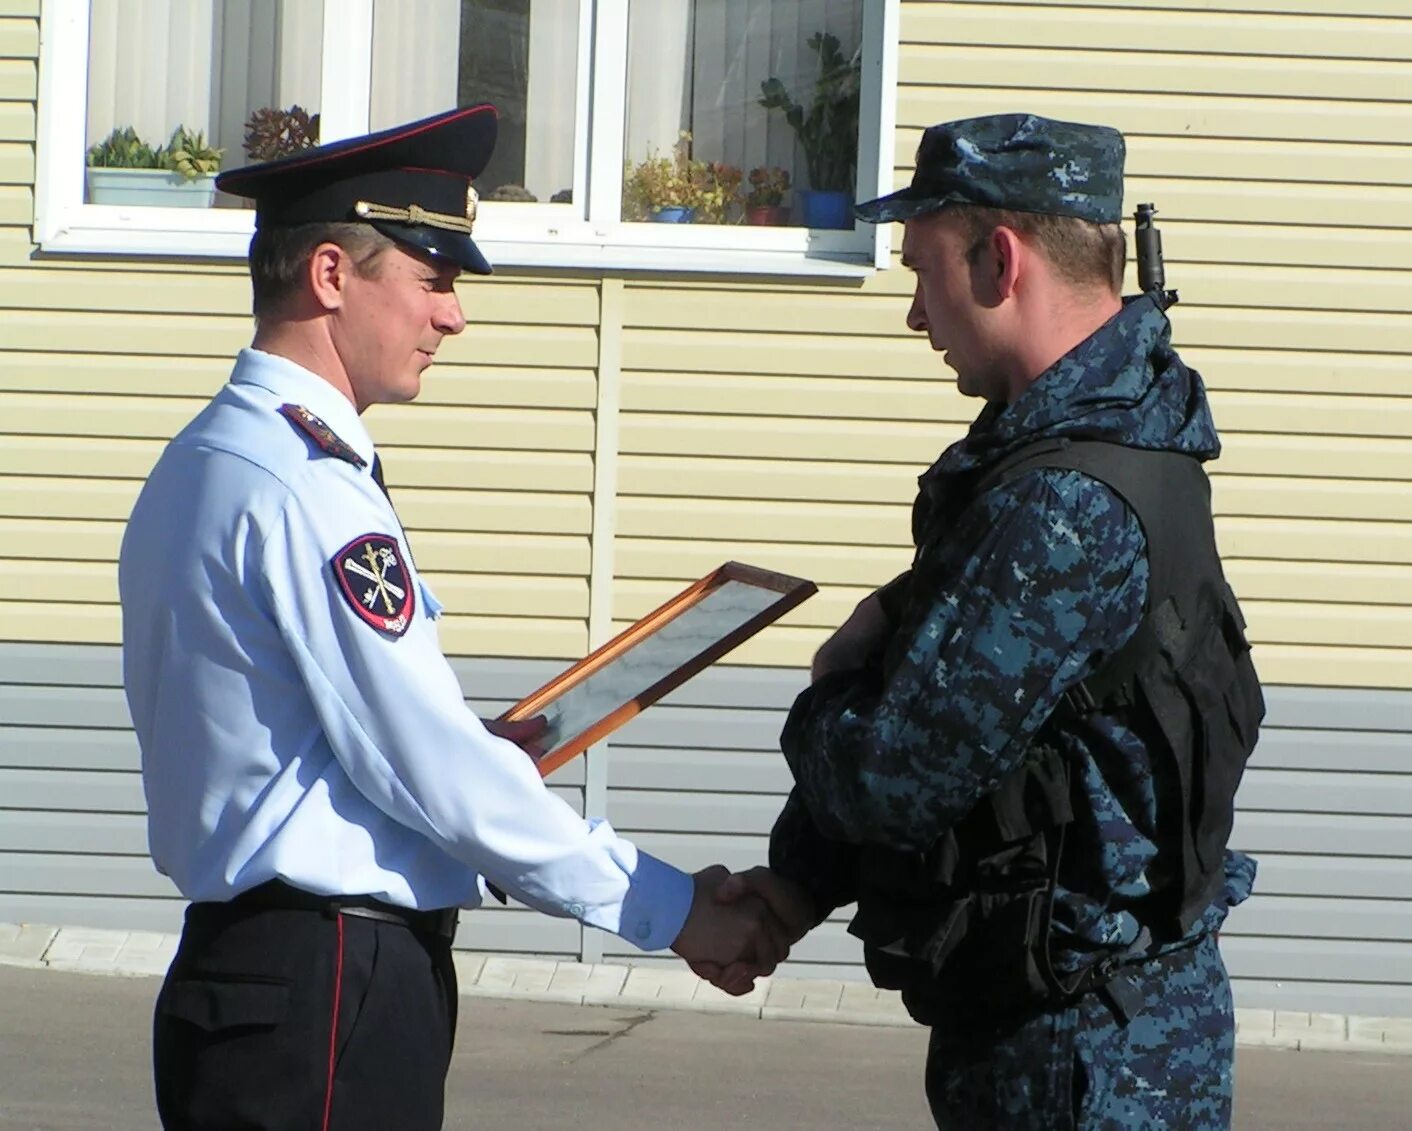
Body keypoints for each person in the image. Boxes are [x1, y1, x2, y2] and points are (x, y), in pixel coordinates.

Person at [118, 104, 788, 1131]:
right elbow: (430, 773)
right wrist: (672, 909)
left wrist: (468, 752)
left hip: (263, 975)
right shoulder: (306, 488)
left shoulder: (210, 457)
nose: (452, 317)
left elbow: (307, 737)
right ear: (332, 276)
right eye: (432, 278)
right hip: (328, 979)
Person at [703, 113, 1264, 1129]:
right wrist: (793, 886)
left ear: (999, 261)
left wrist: (828, 684)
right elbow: (979, 738)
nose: (916, 315)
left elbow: (893, 776)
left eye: (921, 271)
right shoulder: (1111, 440)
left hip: (1075, 1057)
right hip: (1091, 1032)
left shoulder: (1055, 502)